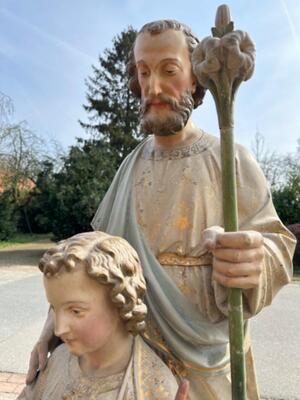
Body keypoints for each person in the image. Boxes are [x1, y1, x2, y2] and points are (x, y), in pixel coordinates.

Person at [27, 20, 296, 399]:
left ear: (195, 79)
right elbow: (88, 266)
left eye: (169, 71)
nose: (152, 87)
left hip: (205, 361)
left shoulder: (229, 158)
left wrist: (255, 258)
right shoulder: (130, 166)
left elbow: (276, 246)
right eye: (143, 72)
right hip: (134, 362)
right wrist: (50, 329)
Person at [19, 231, 179, 399]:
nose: (58, 330)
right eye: (54, 308)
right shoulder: (59, 360)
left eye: (76, 311)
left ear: (120, 303)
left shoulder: (153, 388)